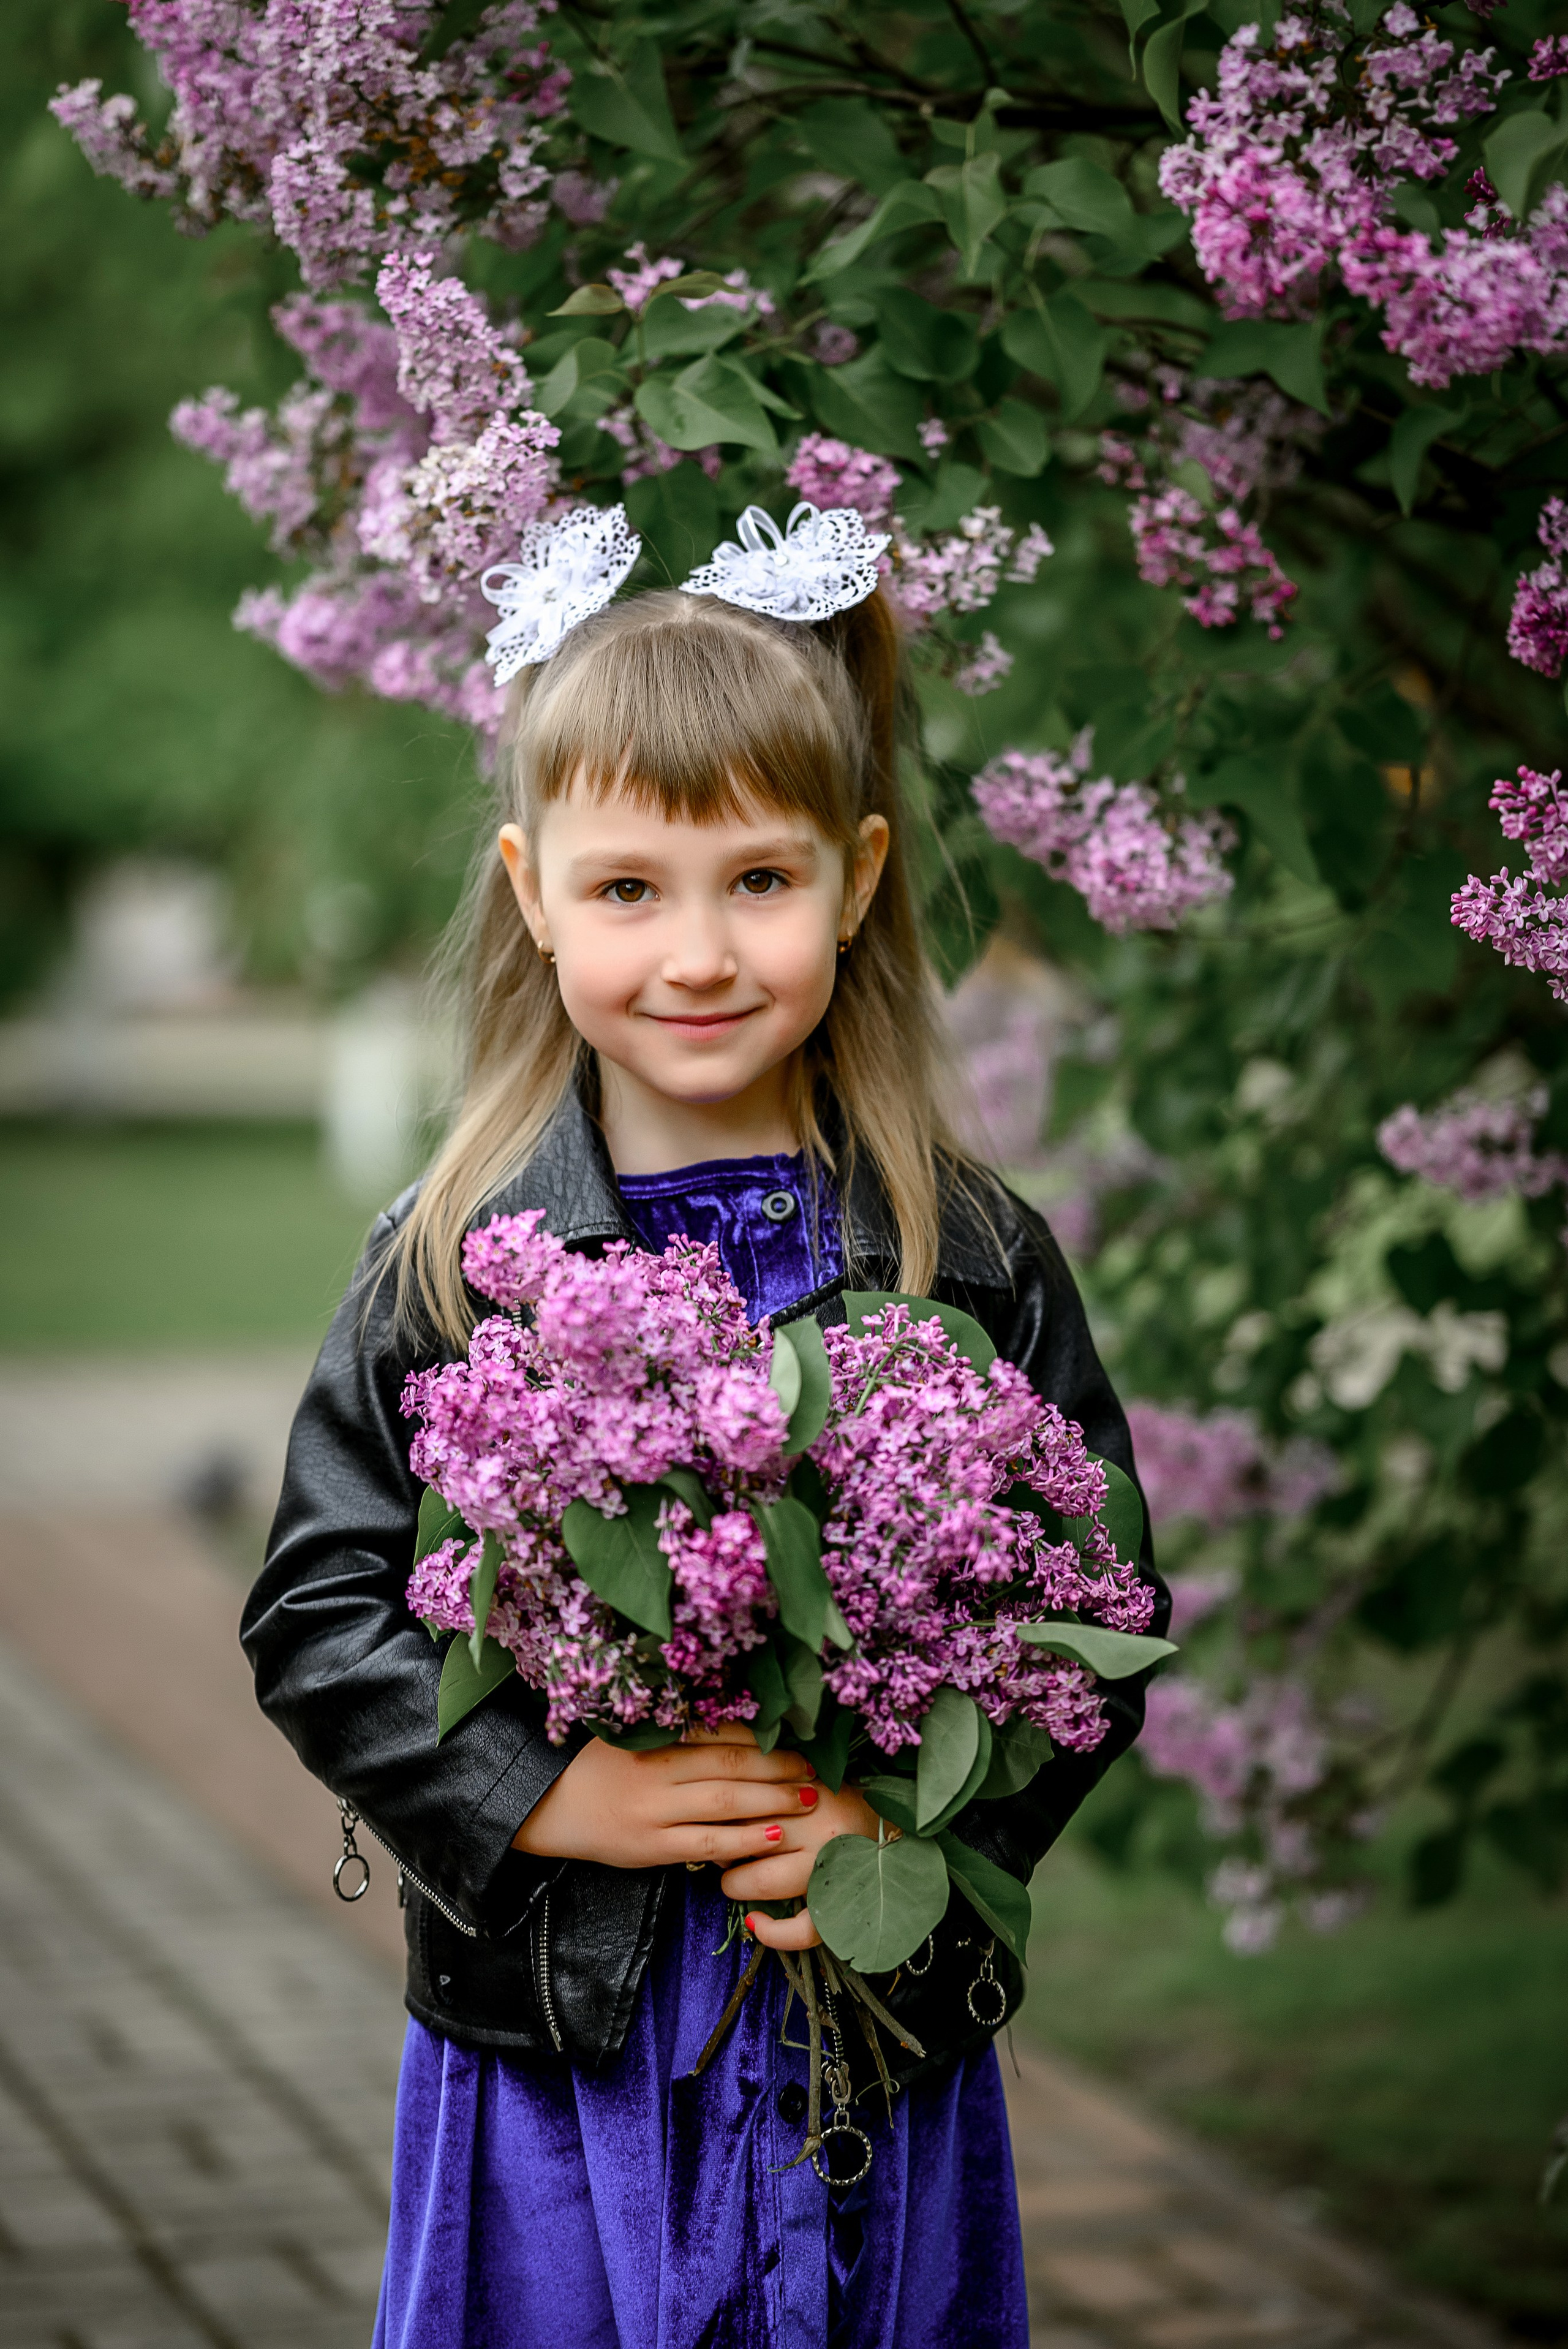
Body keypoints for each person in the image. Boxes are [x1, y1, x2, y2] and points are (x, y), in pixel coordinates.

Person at [241, 499, 1166, 2349]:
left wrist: (895, 1836)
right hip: (560, 2041)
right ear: (531, 888)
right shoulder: (457, 1253)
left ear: (858, 869)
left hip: (863, 2037)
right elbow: (318, 1617)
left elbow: (1099, 1622)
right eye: (629, 888)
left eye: (760, 879)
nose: (698, 951)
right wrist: (551, 1796)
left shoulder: (960, 1249)